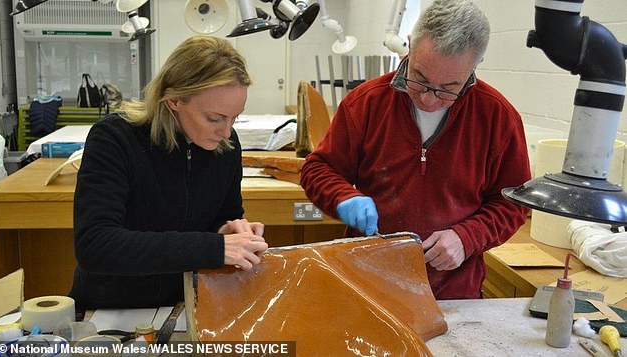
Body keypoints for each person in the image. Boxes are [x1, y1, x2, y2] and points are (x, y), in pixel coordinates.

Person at [300, 0, 531, 299]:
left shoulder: (498, 118)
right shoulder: (365, 104)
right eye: (419, 78)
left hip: (453, 294)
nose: (428, 99)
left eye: (448, 88)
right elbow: (318, 169)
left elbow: (513, 203)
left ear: (474, 67)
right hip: (367, 283)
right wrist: (344, 197)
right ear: (410, 44)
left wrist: (467, 238)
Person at [70, 35, 268, 309]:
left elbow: (224, 214)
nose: (226, 132)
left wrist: (227, 230)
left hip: (186, 304)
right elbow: (96, 244)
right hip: (112, 307)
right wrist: (214, 248)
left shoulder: (226, 145)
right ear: (174, 100)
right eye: (214, 118)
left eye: (235, 117)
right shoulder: (114, 138)